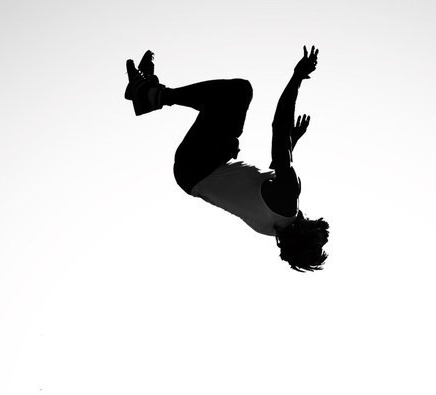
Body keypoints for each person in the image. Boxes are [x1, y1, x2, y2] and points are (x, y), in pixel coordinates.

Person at [123, 46, 329, 272]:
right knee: (227, 115)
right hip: (191, 174)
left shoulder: (288, 197)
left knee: (238, 92)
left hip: (198, 165)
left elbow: (279, 128)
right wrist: (292, 141)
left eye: (319, 241)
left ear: (305, 236)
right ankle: (152, 94)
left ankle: (152, 95)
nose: (324, 236)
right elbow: (273, 169)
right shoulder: (269, 226)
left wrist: (297, 77)